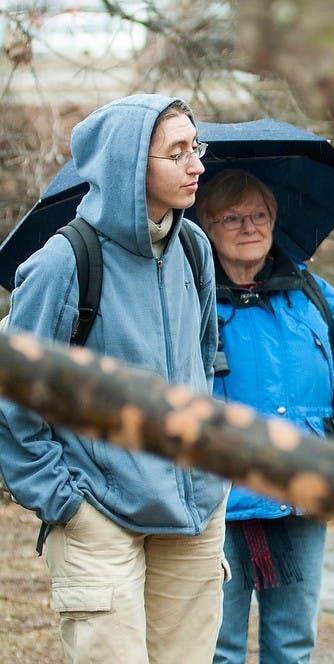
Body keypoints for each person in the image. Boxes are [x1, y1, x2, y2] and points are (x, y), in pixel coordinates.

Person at [0, 95, 228, 662]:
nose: (196, 165)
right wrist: (63, 502)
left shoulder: (195, 250)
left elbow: (203, 362)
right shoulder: (63, 263)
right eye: (176, 153)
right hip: (99, 517)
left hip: (195, 512)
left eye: (195, 148)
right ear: (129, 165)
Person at [194, 169, 334, 664]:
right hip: (215, 500)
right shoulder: (186, 300)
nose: (248, 227)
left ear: (276, 221)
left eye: (258, 215)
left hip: (302, 491)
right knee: (216, 646)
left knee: (294, 643)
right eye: (230, 218)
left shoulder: (315, 295)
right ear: (206, 227)